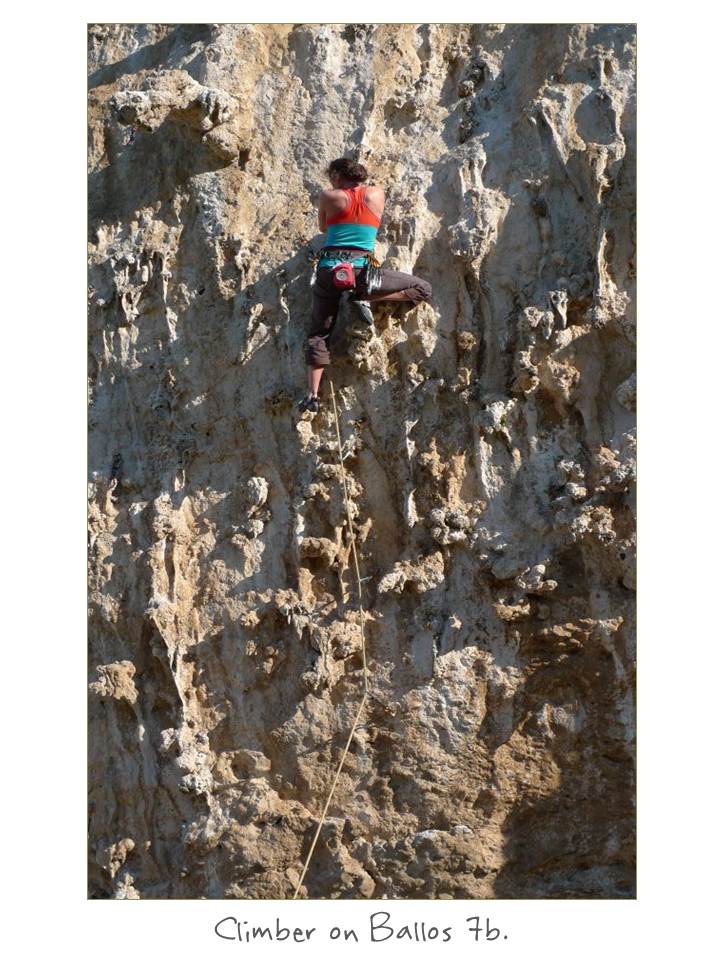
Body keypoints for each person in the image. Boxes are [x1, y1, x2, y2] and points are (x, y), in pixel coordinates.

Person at [298, 158, 432, 413]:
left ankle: (312, 395)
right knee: (422, 289)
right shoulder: (377, 194)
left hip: (330, 271)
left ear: (337, 176)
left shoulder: (329, 195)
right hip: (364, 275)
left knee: (318, 334)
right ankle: (366, 299)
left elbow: (323, 227)